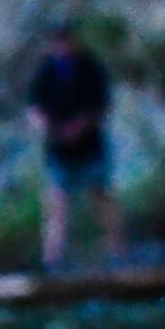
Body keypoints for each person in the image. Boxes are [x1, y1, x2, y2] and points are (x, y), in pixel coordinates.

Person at [25, 24, 123, 270]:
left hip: (90, 145)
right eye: (58, 42)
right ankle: (53, 258)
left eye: (66, 41)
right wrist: (43, 123)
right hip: (58, 146)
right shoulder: (46, 71)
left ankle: (117, 251)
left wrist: (81, 125)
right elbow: (34, 107)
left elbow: (102, 106)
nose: (63, 47)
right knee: (56, 201)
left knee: (101, 195)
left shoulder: (91, 69)